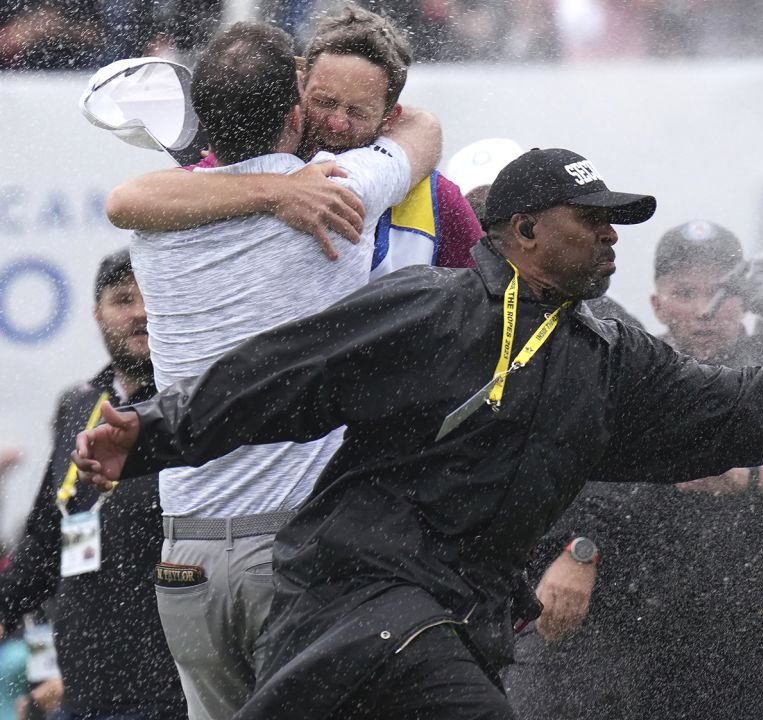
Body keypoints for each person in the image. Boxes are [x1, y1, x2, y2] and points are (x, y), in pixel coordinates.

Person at [72, 146, 763, 720]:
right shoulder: (429, 310)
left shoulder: (609, 353)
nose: (613, 237)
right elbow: (279, 379)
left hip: (466, 617)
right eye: (594, 220)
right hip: (353, 599)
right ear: (522, 231)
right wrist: (149, 434)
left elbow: (751, 408)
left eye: (619, 224)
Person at [109, 22, 438, 720]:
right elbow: (425, 133)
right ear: (296, 114)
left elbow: (126, 198)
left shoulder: (155, 226)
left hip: (185, 558)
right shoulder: (339, 189)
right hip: (293, 550)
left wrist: (264, 189)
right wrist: (282, 191)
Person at [505, 220, 763, 719]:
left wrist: (746, 479)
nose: (705, 310)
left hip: (760, 637)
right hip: (638, 630)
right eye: (685, 292)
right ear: (657, 304)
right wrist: (580, 551)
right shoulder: (629, 368)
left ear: (744, 299)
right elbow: (583, 477)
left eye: (720, 292)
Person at [106, 5, 482, 274]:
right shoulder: (234, 172)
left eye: (357, 112)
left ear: (391, 117)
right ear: (299, 86)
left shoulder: (437, 201)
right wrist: (279, 191)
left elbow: (486, 312)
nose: (336, 123)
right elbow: (127, 203)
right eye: (324, 102)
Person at [0, 250, 185, 719]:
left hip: (170, 684)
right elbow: (47, 532)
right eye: (123, 299)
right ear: (96, 315)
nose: (140, 312)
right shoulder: (81, 403)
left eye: (151, 297)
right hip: (85, 686)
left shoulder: (191, 402)